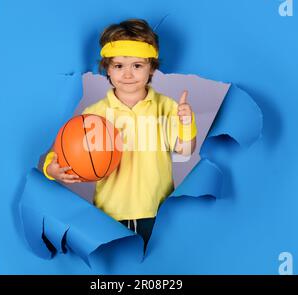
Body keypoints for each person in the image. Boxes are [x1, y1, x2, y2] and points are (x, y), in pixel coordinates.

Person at [42, 19, 197, 251]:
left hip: (157, 212)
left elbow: (185, 149)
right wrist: (50, 169)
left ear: (152, 67)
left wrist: (186, 122)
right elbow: (62, 153)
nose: (127, 74)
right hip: (108, 214)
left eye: (137, 66)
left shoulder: (166, 107)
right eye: (118, 66)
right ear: (106, 67)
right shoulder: (93, 114)